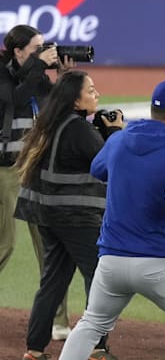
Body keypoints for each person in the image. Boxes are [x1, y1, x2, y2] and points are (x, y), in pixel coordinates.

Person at [55, 80, 165, 359]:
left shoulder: (118, 141)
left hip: (112, 262)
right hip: (161, 265)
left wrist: (116, 136)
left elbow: (98, 169)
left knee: (91, 322)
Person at [13, 70, 123, 360]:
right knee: (99, 279)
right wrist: (114, 134)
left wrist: (97, 131)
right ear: (75, 100)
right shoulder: (78, 129)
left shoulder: (52, 124)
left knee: (53, 281)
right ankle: (96, 348)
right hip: (75, 217)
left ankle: (34, 350)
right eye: (91, 90)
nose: (97, 94)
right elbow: (111, 165)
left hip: (47, 215)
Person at [0, 24, 78, 339]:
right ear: (18, 52)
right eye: (37, 47)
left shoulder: (39, 76)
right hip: (4, 172)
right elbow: (14, 100)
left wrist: (63, 78)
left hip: (33, 171)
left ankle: (58, 321)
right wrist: (37, 68)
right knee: (4, 243)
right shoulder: (2, 75)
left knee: (49, 247)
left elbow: (60, 107)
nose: (45, 51)